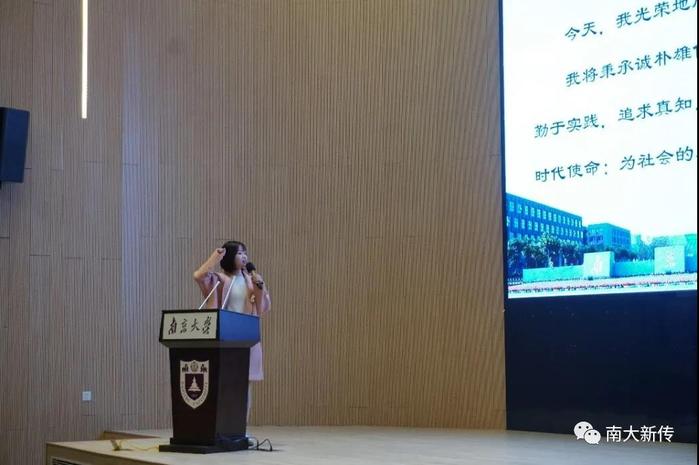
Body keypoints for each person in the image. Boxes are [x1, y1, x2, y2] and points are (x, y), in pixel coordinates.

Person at [193, 240, 271, 422]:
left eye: (245, 253)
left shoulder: (252, 280)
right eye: (239, 253)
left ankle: (240, 428)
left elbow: (263, 308)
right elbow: (199, 275)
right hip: (225, 337)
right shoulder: (219, 279)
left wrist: (260, 287)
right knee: (223, 382)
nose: (244, 257)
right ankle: (222, 426)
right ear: (229, 256)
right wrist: (215, 257)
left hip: (246, 338)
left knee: (244, 385)